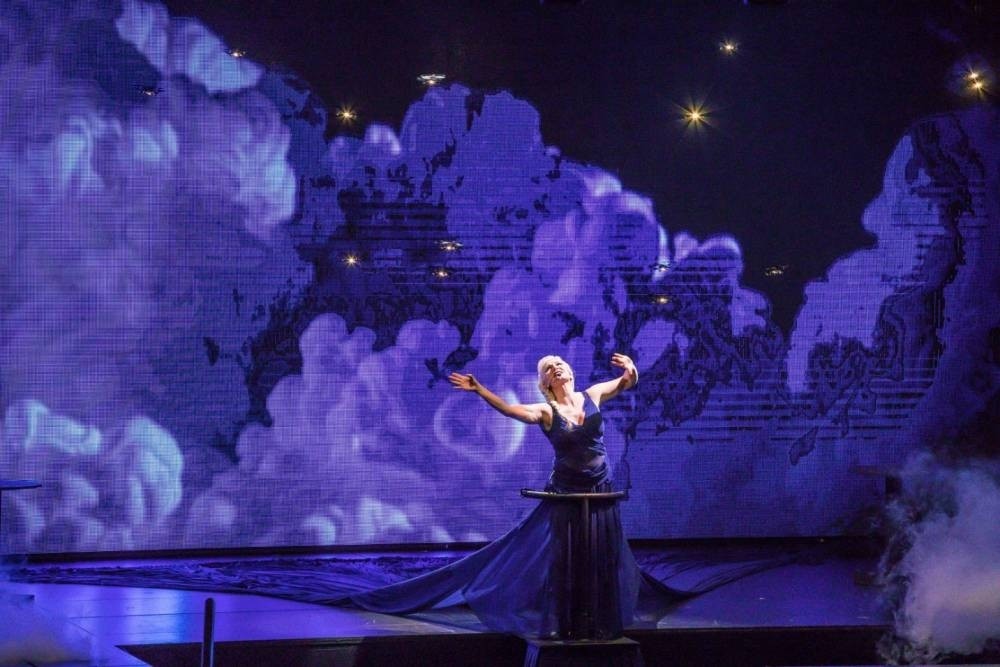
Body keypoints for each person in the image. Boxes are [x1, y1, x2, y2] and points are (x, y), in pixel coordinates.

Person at [346, 353, 647, 639]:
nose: (555, 367)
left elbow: (627, 381)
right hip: (567, 491)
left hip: (599, 487)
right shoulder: (546, 411)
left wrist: (630, 368)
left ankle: (597, 619)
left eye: (559, 363)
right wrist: (480, 390)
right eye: (548, 368)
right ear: (545, 382)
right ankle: (567, 619)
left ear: (569, 372)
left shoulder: (592, 395)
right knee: (569, 555)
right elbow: (508, 410)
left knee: (600, 552)